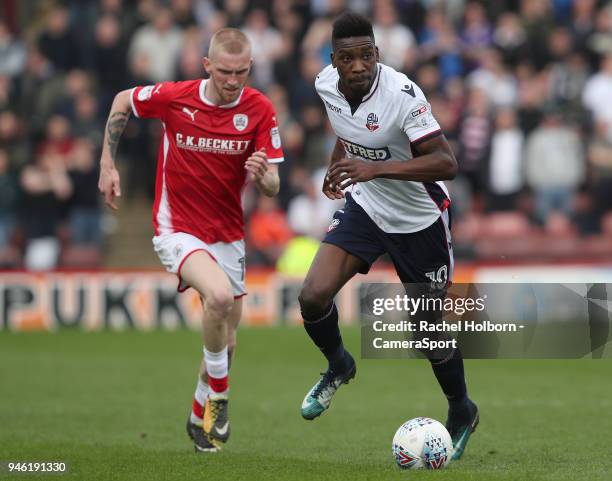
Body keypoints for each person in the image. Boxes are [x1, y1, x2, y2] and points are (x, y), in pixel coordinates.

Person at [298, 13, 478, 461]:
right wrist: (337, 166)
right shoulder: (325, 85)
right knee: (312, 296)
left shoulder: (403, 95)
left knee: (427, 332)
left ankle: (462, 409)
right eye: (347, 58)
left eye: (366, 55)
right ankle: (339, 364)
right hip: (367, 206)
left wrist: (373, 168)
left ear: (376, 54)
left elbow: (446, 163)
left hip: (419, 221)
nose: (358, 65)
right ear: (333, 61)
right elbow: (348, 130)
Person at [97, 28, 283, 453]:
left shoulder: (260, 109)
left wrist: (263, 176)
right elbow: (123, 100)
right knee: (216, 297)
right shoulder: (177, 96)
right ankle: (220, 397)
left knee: (228, 341)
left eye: (240, 72)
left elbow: (273, 183)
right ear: (207, 66)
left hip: (228, 233)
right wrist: (108, 164)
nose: (232, 80)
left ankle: (199, 417)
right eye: (224, 71)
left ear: (250, 67)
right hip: (176, 226)